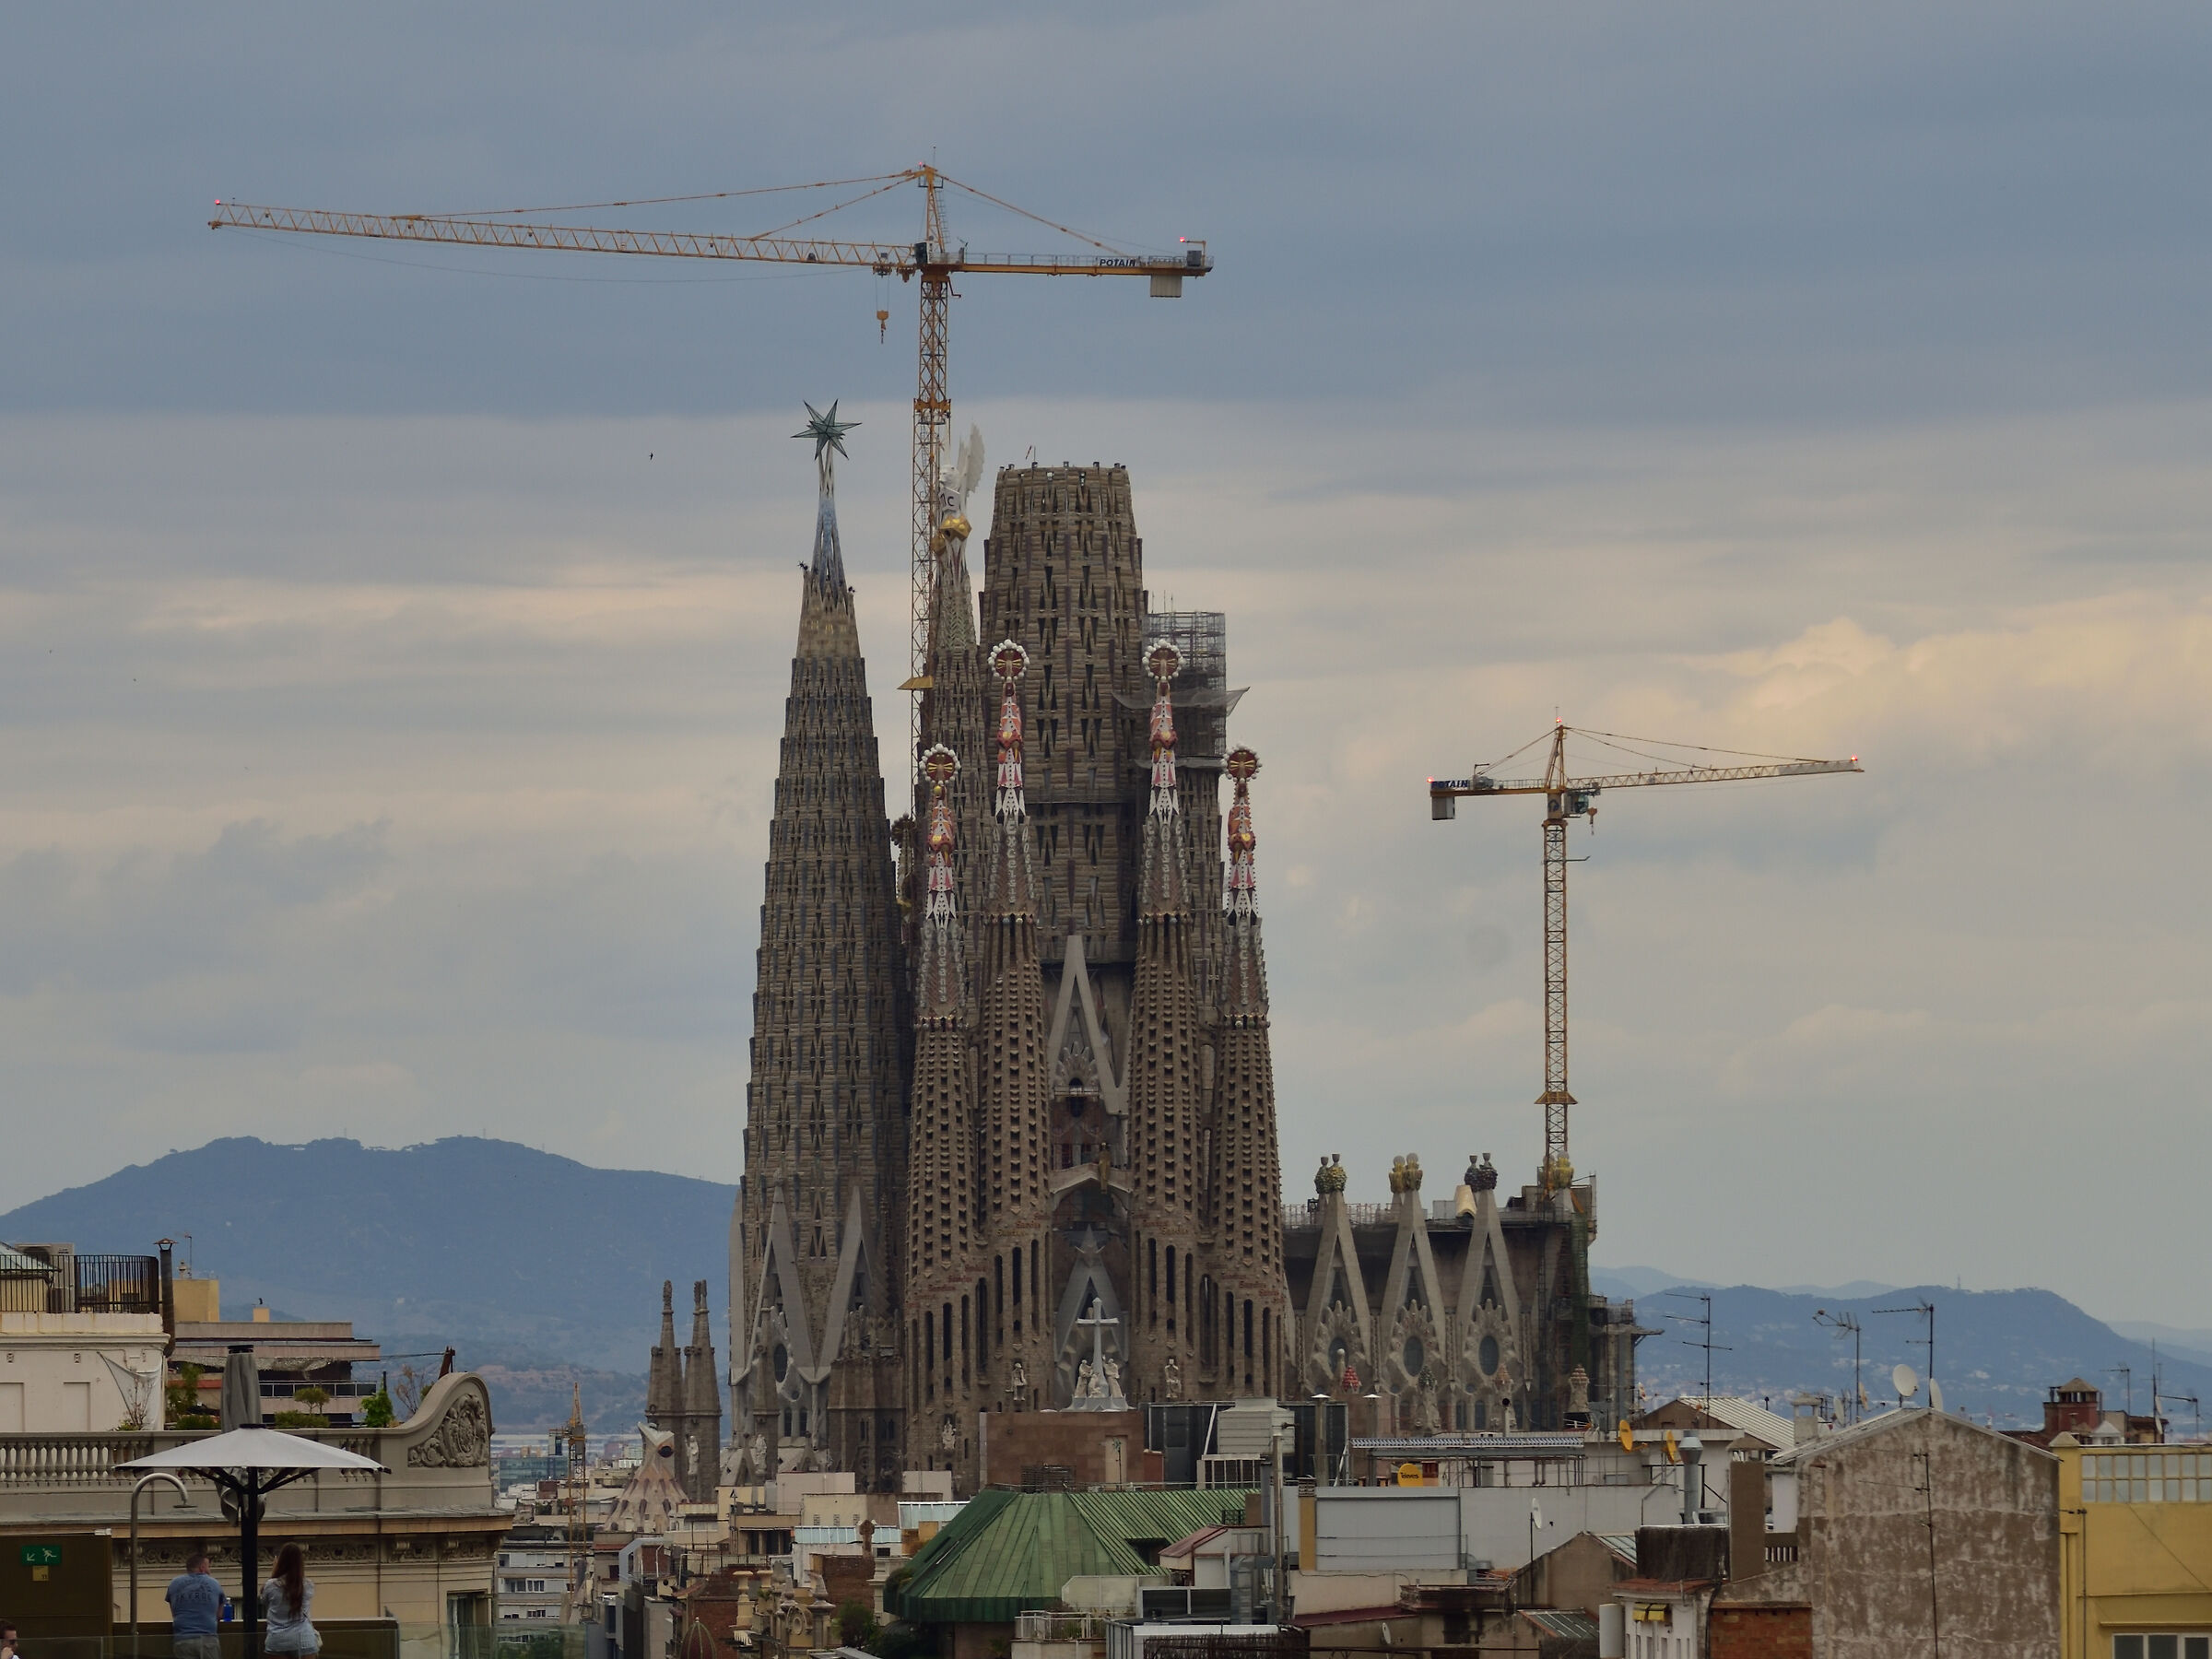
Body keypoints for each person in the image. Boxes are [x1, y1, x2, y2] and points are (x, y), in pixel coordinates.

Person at [261, 1544, 319, 1657]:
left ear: (280, 1562)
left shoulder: (271, 1585)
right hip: (304, 1640)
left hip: (277, 1641)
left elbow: (264, 1601)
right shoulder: (307, 1585)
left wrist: (274, 1573)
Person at [165, 1550, 224, 1659]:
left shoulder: (174, 1583)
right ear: (202, 1568)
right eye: (208, 1567)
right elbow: (219, 1615)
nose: (209, 1571)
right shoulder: (214, 1583)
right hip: (208, 1638)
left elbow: (174, 1611)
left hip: (182, 1639)